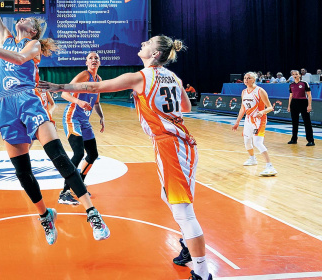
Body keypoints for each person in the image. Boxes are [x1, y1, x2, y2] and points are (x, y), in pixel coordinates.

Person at [39, 35, 211, 280]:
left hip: (170, 145)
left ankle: (202, 272)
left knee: (183, 211)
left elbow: (95, 88)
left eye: (148, 43)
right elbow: (185, 107)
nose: (142, 44)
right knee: (170, 198)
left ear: (155, 54)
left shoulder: (141, 77)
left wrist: (59, 87)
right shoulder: (173, 77)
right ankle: (188, 243)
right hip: (181, 142)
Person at [0, 0, 110, 246]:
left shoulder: (31, 45)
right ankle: (46, 215)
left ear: (33, 31)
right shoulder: (5, 38)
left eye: (30, 19)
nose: (23, 17)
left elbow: (19, 59)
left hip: (27, 101)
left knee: (58, 156)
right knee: (22, 172)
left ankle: (92, 213)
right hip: (5, 105)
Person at [57, 52, 105, 206]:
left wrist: (101, 117)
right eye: (91, 58)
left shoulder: (99, 80)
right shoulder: (85, 75)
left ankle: (79, 185)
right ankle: (64, 192)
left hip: (84, 121)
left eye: (96, 58)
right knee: (78, 153)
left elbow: (96, 102)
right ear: (86, 62)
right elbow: (64, 93)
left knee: (93, 154)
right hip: (72, 117)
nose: (94, 60)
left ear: (100, 62)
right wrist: (78, 101)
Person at [231, 72, 278, 176]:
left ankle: (270, 167)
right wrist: (237, 122)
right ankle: (252, 159)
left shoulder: (260, 91)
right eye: (245, 78)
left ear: (254, 79)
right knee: (247, 142)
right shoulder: (244, 92)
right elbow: (243, 108)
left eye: (249, 78)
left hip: (259, 120)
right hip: (248, 119)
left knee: (257, 142)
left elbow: (270, 107)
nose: (246, 80)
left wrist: (262, 112)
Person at [287, 70, 315, 146]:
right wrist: (289, 106)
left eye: (296, 74)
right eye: (293, 74)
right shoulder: (291, 85)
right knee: (294, 122)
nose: (295, 75)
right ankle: (294, 139)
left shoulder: (304, 83)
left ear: (299, 75)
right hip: (294, 103)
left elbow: (309, 95)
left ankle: (311, 140)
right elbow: (290, 96)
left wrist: (309, 105)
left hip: (303, 103)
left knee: (307, 122)